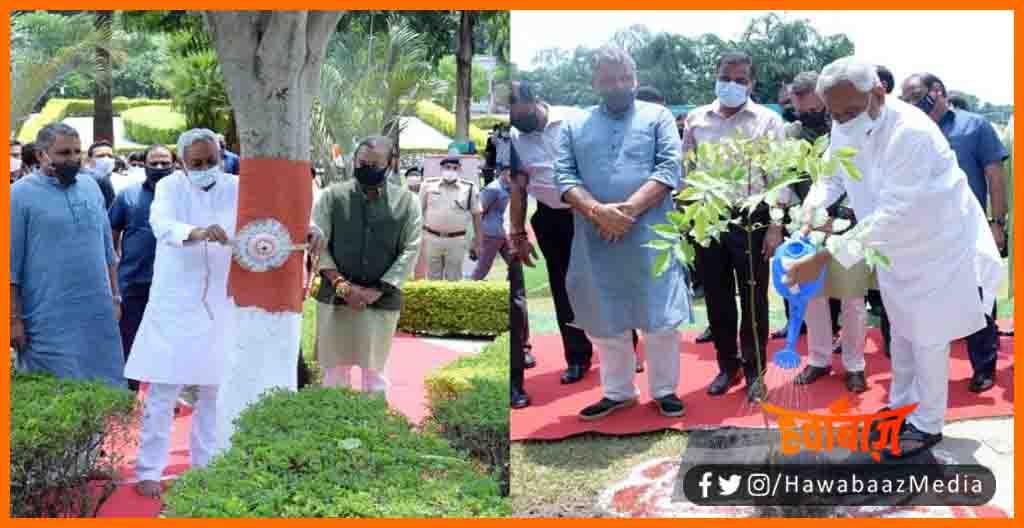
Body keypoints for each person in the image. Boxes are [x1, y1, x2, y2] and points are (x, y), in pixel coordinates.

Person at [788, 57, 1003, 458]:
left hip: (935, 244)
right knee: (901, 331)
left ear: (878, 93)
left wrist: (827, 256)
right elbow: (832, 176)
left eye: (850, 111)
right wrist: (811, 214)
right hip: (890, 247)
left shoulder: (911, 132)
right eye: (835, 114)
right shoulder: (845, 121)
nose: (842, 121)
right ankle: (903, 406)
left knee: (927, 335)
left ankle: (928, 424)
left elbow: (897, 212)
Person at [556, 46, 689, 420]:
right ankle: (617, 392)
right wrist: (598, 212)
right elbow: (563, 177)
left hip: (650, 235)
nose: (617, 86)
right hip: (595, 237)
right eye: (608, 79)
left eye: (624, 78)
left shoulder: (658, 116)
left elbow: (668, 169)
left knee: (659, 317)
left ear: (635, 79)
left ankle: (664, 390)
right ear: (594, 81)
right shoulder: (573, 124)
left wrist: (626, 212)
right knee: (603, 317)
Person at [123, 128, 239, 498]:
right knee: (162, 391)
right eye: (197, 163)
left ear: (221, 157)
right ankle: (149, 470)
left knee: (213, 390)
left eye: (211, 161)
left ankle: (207, 466)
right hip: (174, 301)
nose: (206, 169)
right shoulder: (170, 187)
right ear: (182, 163)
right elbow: (162, 226)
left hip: (220, 302)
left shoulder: (235, 186)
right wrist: (197, 231)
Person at [683, 51, 787, 402]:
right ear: (716, 75)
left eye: (741, 79)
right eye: (727, 77)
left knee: (754, 296)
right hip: (708, 217)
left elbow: (778, 179)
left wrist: (775, 226)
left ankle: (755, 371)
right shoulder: (696, 120)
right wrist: (688, 220)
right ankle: (728, 366)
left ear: (751, 83)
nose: (732, 84)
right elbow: (687, 175)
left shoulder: (768, 121)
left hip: (752, 218)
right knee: (717, 295)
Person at [901, 72, 1009, 393]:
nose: (910, 103)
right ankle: (925, 376)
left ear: (937, 91)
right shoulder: (908, 130)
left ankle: (984, 367)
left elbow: (994, 175)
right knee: (925, 304)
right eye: (905, 98)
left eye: (915, 95)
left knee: (978, 299)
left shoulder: (974, 126)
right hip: (923, 233)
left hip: (968, 231)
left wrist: (997, 222)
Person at [10, 123, 125, 388]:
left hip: (98, 315)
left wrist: (116, 297)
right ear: (41, 155)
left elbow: (108, 249)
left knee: (105, 389)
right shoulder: (18, 195)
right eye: (64, 153)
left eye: (77, 151)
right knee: (57, 396)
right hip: (47, 319)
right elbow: (9, 266)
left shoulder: (91, 186)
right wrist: (12, 320)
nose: (73, 159)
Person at [313, 136, 422, 394]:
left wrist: (378, 290)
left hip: (381, 301)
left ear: (390, 164)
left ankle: (373, 429)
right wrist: (342, 286)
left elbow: (411, 248)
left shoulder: (407, 202)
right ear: (354, 161)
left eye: (374, 165)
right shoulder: (331, 197)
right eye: (362, 163)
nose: (366, 168)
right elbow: (319, 244)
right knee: (334, 374)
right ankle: (330, 428)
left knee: (375, 374)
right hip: (335, 298)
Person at [788, 71, 870, 393]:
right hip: (811, 221)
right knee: (813, 296)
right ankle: (819, 360)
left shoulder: (856, 125)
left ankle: (855, 365)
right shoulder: (795, 132)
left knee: (852, 298)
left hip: (852, 225)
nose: (810, 111)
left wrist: (842, 215)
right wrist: (807, 217)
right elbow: (823, 179)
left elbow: (858, 181)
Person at [510, 81, 596, 384]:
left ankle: (624, 347)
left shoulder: (575, 119)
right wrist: (518, 234)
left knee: (602, 282)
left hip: (587, 214)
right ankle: (577, 356)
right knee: (563, 288)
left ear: (535, 99)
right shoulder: (515, 134)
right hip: (550, 219)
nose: (519, 124)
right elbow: (518, 186)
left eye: (520, 115)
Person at [109, 145, 176, 392]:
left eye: (164, 163)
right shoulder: (128, 196)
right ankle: (130, 392)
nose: (159, 168)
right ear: (144, 165)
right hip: (134, 282)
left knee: (169, 342)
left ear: (175, 165)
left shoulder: (183, 196)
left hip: (172, 285)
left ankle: (166, 394)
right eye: (154, 163)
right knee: (131, 339)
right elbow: (111, 236)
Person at [419, 156, 482, 281]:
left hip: (456, 240)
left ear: (459, 170)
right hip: (432, 238)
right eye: (447, 167)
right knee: (432, 279)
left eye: (455, 168)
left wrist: (478, 241)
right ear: (441, 168)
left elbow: (477, 215)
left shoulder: (469, 188)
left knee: (454, 279)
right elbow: (418, 212)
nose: (451, 170)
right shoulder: (428, 185)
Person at [85, 140, 118, 209]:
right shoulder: (84, 183)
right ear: (88, 160)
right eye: (101, 156)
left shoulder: (122, 182)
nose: (106, 159)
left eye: (110, 156)